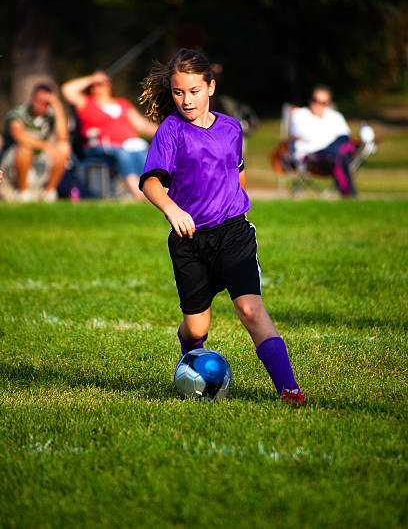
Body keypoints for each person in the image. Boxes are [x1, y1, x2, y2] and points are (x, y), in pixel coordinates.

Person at [138, 48, 305, 405]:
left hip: (232, 233)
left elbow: (237, 171)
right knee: (197, 328)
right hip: (189, 240)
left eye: (194, 91)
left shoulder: (231, 128)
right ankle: (191, 358)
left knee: (249, 310)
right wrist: (172, 209)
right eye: (178, 92)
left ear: (210, 87)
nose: (186, 100)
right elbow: (151, 183)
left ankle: (289, 390)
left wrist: (238, 202)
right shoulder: (171, 131)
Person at [61, 71, 157, 201]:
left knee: (145, 154)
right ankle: (138, 194)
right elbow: (67, 90)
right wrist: (92, 78)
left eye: (103, 83)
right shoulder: (85, 103)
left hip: (130, 145)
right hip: (98, 146)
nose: (100, 87)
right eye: (97, 84)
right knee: (122, 153)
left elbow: (142, 126)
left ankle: (152, 190)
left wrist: (166, 132)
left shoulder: (122, 104)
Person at [1, 83, 71, 201]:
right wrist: (47, 147)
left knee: (64, 147)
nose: (42, 105)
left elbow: (63, 137)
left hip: (39, 161)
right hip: (12, 162)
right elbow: (19, 135)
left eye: (46, 102)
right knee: (25, 147)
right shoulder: (18, 113)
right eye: (40, 100)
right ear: (32, 99)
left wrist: (57, 106)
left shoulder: (50, 115)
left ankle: (49, 193)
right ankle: (23, 193)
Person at [289, 85, 357, 196]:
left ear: (329, 104)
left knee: (343, 146)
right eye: (315, 100)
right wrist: (330, 137)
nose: (318, 105)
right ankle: (350, 194)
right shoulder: (299, 115)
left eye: (323, 102)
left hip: (334, 154)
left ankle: (349, 194)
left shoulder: (335, 116)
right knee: (340, 153)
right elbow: (307, 136)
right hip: (312, 157)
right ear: (310, 100)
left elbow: (344, 136)